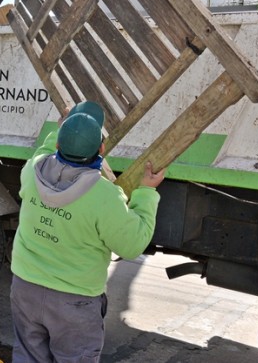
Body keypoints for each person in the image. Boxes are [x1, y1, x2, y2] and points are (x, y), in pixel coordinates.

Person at [9, 101, 166, 362]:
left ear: (58, 144)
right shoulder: (104, 196)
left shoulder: (31, 171)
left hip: (25, 289)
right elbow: (132, 245)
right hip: (74, 301)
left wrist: (59, 129)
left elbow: (45, 151)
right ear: (102, 149)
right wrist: (147, 191)